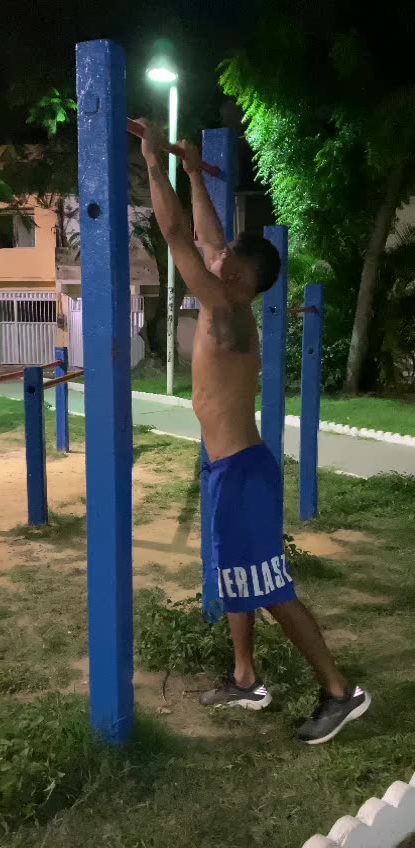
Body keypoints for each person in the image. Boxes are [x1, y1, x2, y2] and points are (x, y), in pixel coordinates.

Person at [140, 121, 371, 744]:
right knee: (236, 574)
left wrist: (152, 161)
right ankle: (246, 678)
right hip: (232, 469)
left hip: (242, 474)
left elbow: (175, 234)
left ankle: (340, 692)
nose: (213, 257)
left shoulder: (223, 310)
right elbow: (207, 235)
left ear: (236, 279)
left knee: (271, 589)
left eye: (222, 261)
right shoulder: (231, 299)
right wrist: (193, 171)